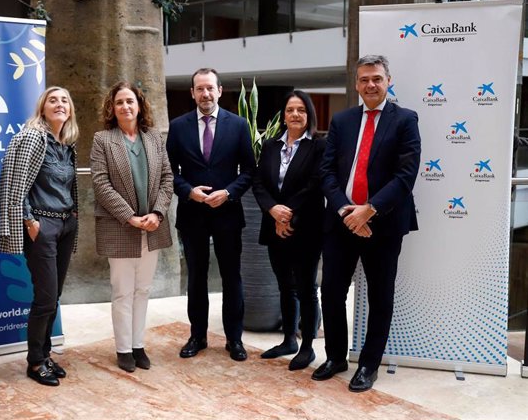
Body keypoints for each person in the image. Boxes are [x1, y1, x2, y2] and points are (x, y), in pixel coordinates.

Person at [314, 55, 421, 392]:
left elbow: (406, 176)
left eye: (376, 78)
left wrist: (369, 210)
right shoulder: (342, 120)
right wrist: (348, 211)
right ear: (356, 84)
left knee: (380, 295)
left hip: (384, 224)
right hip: (342, 222)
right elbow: (326, 171)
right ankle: (334, 357)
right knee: (331, 291)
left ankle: (368, 366)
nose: (370, 85)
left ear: (388, 80)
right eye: (364, 79)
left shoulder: (405, 120)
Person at [166, 68, 255, 361]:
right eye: (199, 89)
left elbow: (249, 171)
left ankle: (234, 339)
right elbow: (170, 172)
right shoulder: (178, 127)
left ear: (220, 91)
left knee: (232, 277)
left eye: (210, 88)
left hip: (227, 213)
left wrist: (228, 193)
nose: (205, 94)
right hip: (193, 213)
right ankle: (197, 336)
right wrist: (189, 191)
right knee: (196, 278)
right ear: (192, 93)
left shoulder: (239, 125)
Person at [0, 86, 79, 386]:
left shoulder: (67, 143)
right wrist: (29, 220)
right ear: (42, 108)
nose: (59, 104)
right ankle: (34, 362)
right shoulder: (31, 137)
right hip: (42, 226)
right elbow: (14, 182)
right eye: (53, 100)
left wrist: (72, 215)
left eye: (64, 100)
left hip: (65, 225)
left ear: (70, 110)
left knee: (53, 296)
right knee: (45, 298)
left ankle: (45, 355)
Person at [90, 82, 173, 372]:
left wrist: (158, 213)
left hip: (152, 225)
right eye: (120, 102)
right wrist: (130, 216)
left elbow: (167, 179)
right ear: (112, 109)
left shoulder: (153, 138)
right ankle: (123, 349)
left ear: (139, 105)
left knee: (144, 289)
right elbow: (100, 184)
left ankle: (139, 346)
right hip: (120, 225)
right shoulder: (103, 139)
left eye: (130, 101)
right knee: (122, 290)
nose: (126, 106)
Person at [252, 90, 325, 370]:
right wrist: (273, 211)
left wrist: (288, 215)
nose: (295, 114)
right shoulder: (270, 146)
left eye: (301, 110)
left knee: (307, 288)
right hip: (274, 227)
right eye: (290, 109)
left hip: (305, 229)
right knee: (285, 286)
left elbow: (315, 185)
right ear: (284, 115)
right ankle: (288, 340)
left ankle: (307, 347)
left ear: (309, 115)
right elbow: (259, 183)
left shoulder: (318, 146)